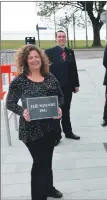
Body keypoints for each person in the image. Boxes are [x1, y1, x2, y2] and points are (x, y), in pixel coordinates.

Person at [6, 45, 64, 200]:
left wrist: (59, 109)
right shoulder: (20, 81)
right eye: (30, 57)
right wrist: (22, 112)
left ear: (41, 58)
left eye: (36, 56)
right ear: (25, 60)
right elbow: (10, 103)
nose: (34, 60)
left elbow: (60, 97)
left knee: (47, 160)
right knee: (40, 162)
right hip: (31, 130)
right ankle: (38, 196)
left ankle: (49, 188)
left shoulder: (50, 78)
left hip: (50, 127)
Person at [45, 30, 80, 145]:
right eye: (59, 37)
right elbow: (45, 71)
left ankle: (68, 132)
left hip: (68, 87)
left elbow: (74, 69)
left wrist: (76, 84)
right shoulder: (49, 52)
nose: (61, 38)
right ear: (56, 38)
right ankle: (57, 135)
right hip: (54, 88)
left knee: (66, 110)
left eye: (63, 37)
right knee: (56, 111)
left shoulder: (70, 52)